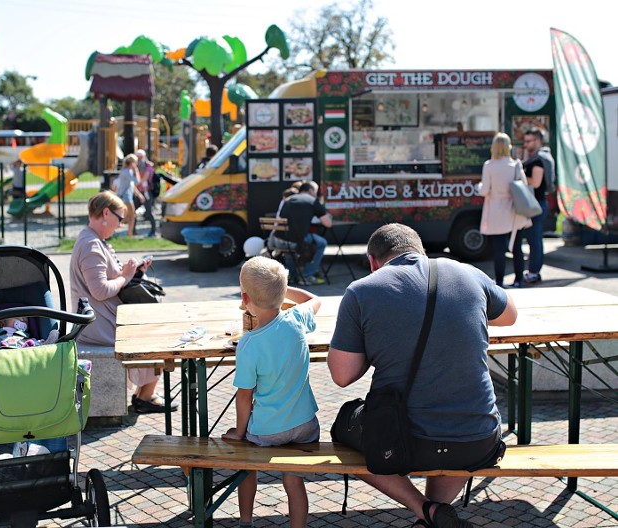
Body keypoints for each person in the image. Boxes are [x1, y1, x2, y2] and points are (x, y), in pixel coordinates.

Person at [328, 223, 518, 528]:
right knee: (448, 439)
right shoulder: (468, 273)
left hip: (404, 443)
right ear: (422, 252)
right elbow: (509, 316)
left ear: (372, 262)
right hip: (478, 440)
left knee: (341, 429)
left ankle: (425, 509)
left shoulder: (362, 290)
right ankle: (435, 516)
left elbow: (342, 375)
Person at [222, 256, 321, 528]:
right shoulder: (296, 319)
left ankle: (245, 521)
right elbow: (314, 299)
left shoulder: (249, 345)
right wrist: (281, 288)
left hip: (268, 431)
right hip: (305, 426)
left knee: (247, 466)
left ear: (245, 298)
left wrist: (240, 434)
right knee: (293, 478)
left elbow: (244, 398)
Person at [70, 192, 176, 414]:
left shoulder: (95, 241)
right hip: (98, 324)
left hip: (103, 318)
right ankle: (146, 396)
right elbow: (100, 291)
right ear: (106, 213)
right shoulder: (91, 246)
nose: (120, 225)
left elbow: (108, 279)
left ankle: (144, 394)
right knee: (152, 334)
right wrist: (126, 277)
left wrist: (133, 273)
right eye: (120, 219)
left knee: (154, 328)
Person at [478, 133, 531, 288]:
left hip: (496, 210)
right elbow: (524, 185)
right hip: (514, 209)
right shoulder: (516, 165)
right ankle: (518, 280)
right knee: (517, 248)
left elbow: (484, 190)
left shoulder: (489, 165)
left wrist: (478, 187)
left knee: (499, 249)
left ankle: (500, 281)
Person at [269, 181, 333, 285]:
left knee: (290, 248)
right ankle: (307, 275)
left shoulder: (288, 200)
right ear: (311, 190)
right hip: (297, 242)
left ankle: (293, 276)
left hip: (279, 241)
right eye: (315, 192)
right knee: (321, 243)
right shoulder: (312, 201)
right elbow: (328, 224)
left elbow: (280, 220)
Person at [520, 128, 553, 284]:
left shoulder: (538, 160)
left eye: (529, 141)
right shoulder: (535, 158)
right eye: (525, 141)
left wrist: (520, 178)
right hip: (536, 203)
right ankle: (534, 270)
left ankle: (534, 272)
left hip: (536, 204)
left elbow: (536, 182)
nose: (525, 144)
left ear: (538, 141)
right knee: (534, 239)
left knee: (534, 240)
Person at [112, 154, 144, 238]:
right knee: (131, 216)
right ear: (132, 163)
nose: (136, 164)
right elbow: (137, 181)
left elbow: (132, 185)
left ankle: (128, 234)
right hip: (126, 196)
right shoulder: (126, 172)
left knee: (128, 216)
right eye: (135, 163)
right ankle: (129, 235)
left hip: (127, 196)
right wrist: (136, 171)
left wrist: (139, 194)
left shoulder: (128, 171)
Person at [135, 149, 157, 237]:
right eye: (137, 157)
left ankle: (153, 231)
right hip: (138, 192)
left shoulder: (148, 167)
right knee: (132, 211)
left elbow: (143, 179)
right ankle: (133, 231)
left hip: (146, 192)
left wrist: (135, 182)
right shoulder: (135, 167)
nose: (139, 159)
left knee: (149, 212)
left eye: (140, 157)